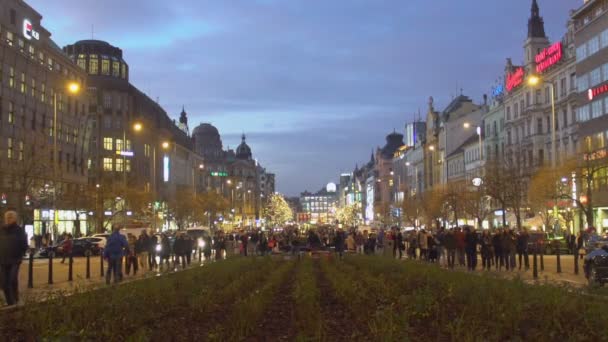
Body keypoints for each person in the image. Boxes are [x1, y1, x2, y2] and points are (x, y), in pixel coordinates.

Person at [0, 211, 28, 306]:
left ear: (15, 219)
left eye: (11, 217)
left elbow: (24, 243)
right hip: (3, 260)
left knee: (12, 279)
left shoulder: (19, 230)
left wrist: (21, 253)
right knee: (3, 283)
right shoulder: (2, 230)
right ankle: (10, 302)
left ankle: (15, 298)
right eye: (7, 217)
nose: (8, 219)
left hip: (15, 259)